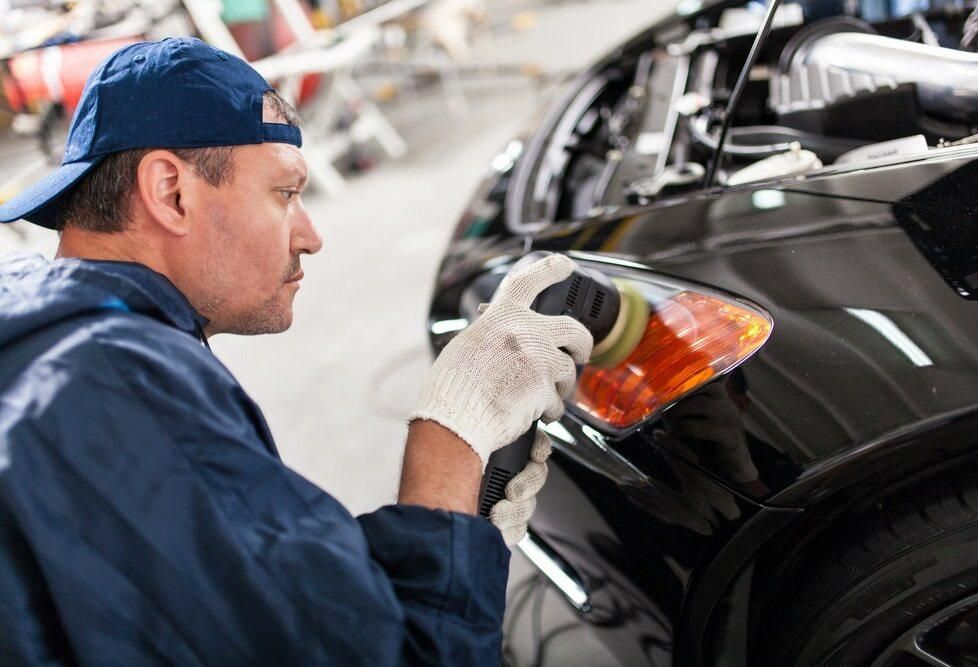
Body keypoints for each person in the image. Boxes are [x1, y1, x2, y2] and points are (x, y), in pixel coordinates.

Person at [0, 38, 592, 664]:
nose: (311, 236)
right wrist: (449, 447)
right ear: (171, 192)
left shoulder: (37, 322)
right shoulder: (119, 388)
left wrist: (446, 533)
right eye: (285, 193)